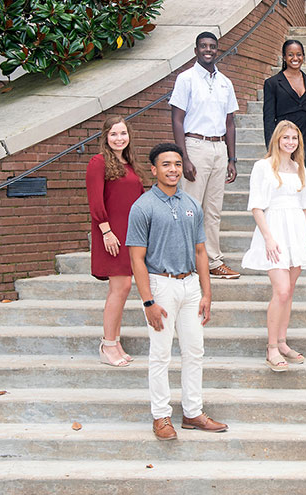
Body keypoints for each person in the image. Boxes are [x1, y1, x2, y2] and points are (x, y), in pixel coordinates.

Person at [127, 143, 228, 440]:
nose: (173, 169)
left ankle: (193, 412)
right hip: (161, 284)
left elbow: (200, 251)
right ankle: (161, 416)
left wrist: (206, 292)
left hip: (190, 286)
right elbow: (136, 258)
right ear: (154, 169)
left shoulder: (191, 204)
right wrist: (148, 301)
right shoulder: (143, 207)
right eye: (166, 164)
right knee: (160, 354)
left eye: (176, 164)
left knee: (194, 350)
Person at [242, 121, 306, 372]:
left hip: (296, 230)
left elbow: (305, 205)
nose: (290, 142)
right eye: (285, 138)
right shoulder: (263, 167)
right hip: (274, 229)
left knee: (290, 290)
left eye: (294, 138)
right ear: (277, 139)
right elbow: (256, 206)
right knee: (281, 290)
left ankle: (283, 342)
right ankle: (271, 347)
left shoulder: (298, 167)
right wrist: (268, 238)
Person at [170, 31, 240, 279]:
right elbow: (177, 120)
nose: (208, 50)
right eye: (203, 46)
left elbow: (230, 123)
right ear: (196, 50)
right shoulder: (185, 79)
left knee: (213, 210)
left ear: (217, 50)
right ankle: (183, 262)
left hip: (219, 148)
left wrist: (232, 158)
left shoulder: (225, 82)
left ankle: (213, 261)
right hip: (195, 145)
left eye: (212, 46)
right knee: (190, 208)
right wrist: (183, 158)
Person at [86, 115, 146, 367]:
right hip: (111, 235)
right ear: (106, 137)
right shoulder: (98, 162)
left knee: (124, 289)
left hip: (131, 235)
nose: (119, 138)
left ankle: (116, 341)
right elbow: (95, 201)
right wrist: (106, 230)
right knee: (118, 288)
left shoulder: (130, 165)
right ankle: (107, 344)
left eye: (122, 133)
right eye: (113, 134)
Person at [263, 40, 306, 173]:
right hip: (283, 140)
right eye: (290, 55)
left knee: (301, 181)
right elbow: (268, 119)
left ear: (303, 56)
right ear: (284, 57)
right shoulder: (272, 83)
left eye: (299, 54)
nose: (295, 58)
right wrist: (272, 148)